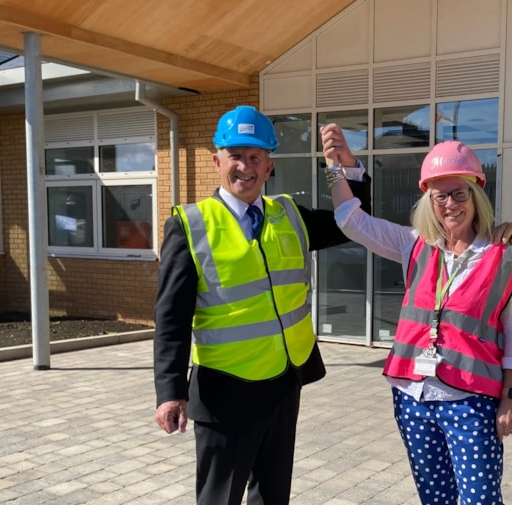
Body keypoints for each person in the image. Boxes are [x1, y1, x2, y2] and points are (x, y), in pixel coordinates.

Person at [153, 106, 371, 505]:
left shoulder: (288, 215)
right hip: (224, 392)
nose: (245, 167)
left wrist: (345, 166)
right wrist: (169, 391)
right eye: (235, 155)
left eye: (255, 157)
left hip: (283, 383)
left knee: (273, 496)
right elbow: (171, 317)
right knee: (220, 498)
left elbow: (356, 222)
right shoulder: (190, 225)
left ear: (269, 167)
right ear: (217, 161)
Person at [321, 125, 512, 505]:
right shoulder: (413, 244)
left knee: (480, 500)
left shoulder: (504, 255)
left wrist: (511, 397)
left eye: (458, 194)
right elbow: (351, 220)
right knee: (435, 499)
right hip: (412, 398)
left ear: (476, 194)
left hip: (472, 403)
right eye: (439, 197)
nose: (449, 204)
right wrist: (339, 167)